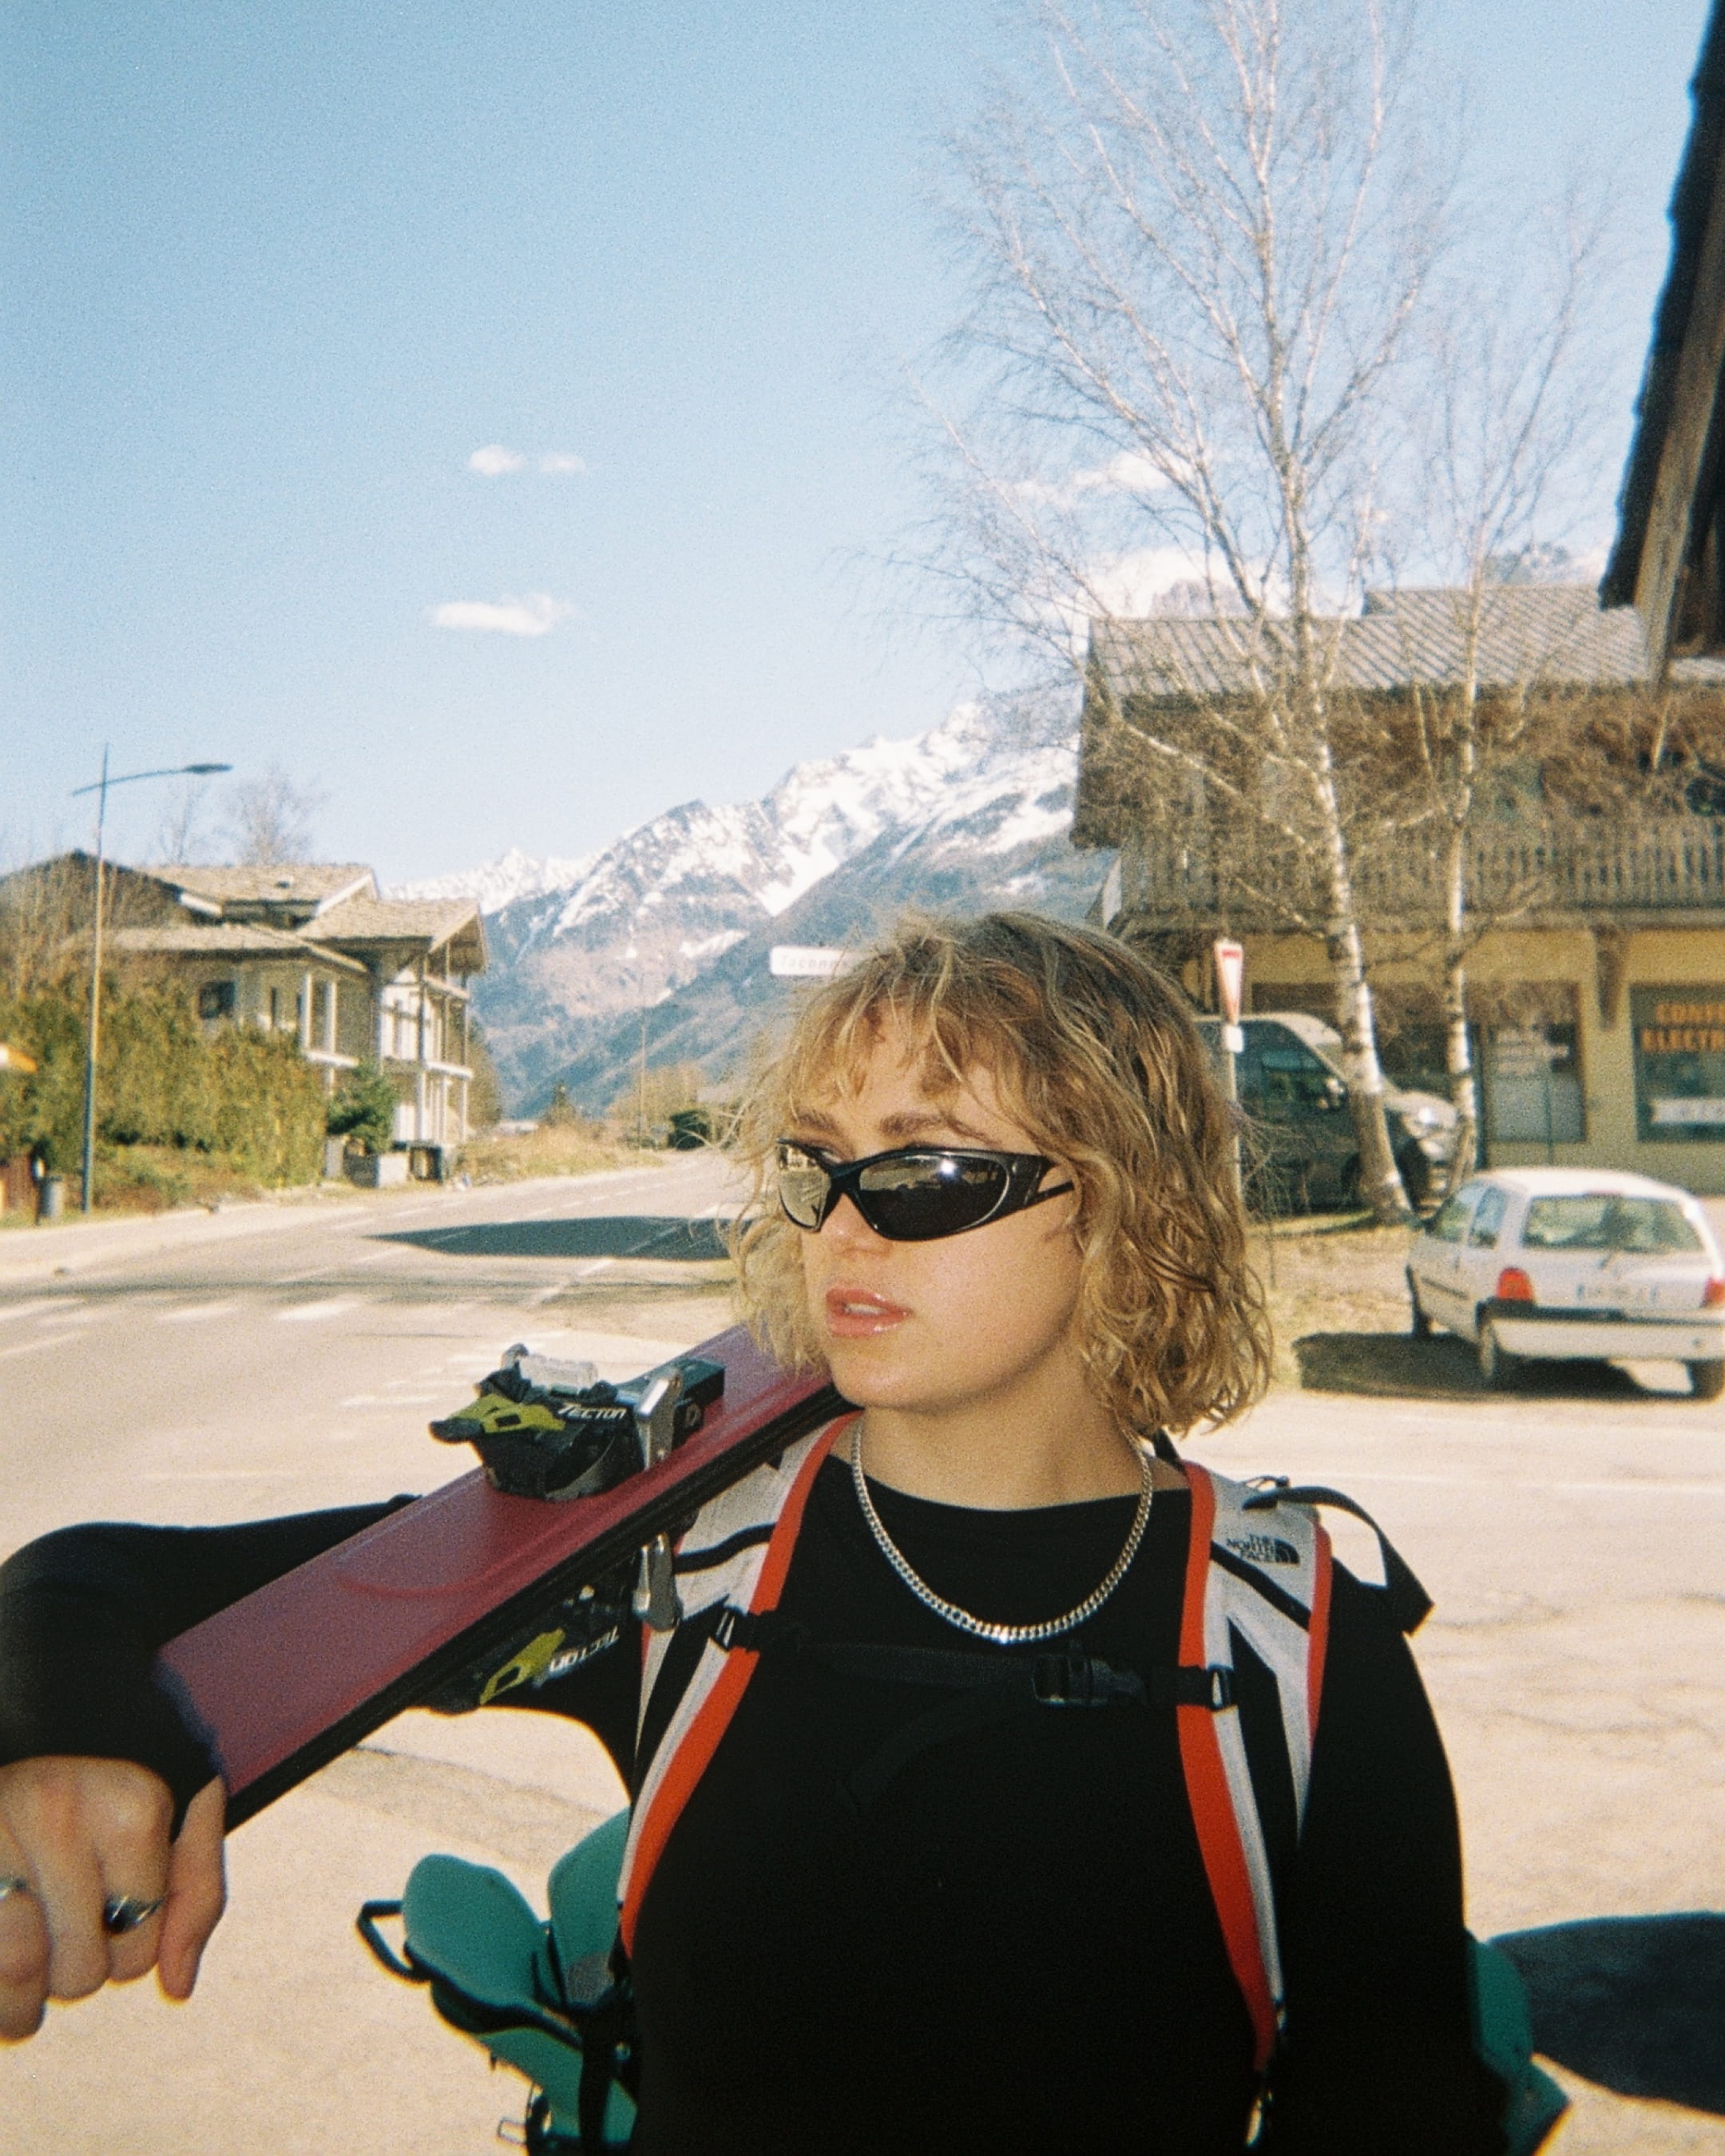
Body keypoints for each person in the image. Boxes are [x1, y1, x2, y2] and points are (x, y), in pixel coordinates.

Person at [0, 914, 1507, 2152]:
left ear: (1122, 1208)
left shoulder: (1298, 1641)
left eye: (921, 1172)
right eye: (816, 1163)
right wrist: (71, 1728)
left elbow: (1397, 2111)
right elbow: (98, 1577)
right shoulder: (669, 1567)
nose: (840, 1226)